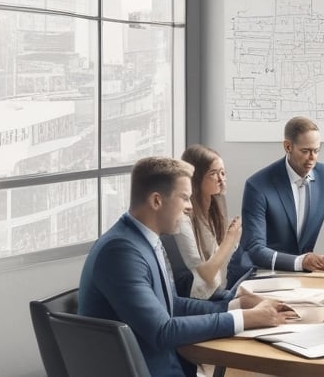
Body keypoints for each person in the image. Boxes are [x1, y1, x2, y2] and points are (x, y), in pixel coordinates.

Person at [78, 157, 293, 377]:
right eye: (184, 198)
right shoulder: (121, 252)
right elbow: (163, 331)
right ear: (156, 201)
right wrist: (247, 318)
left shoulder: (141, 241)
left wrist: (235, 305)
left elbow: (171, 305)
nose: (190, 207)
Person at [231, 116, 324, 279]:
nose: (312, 158)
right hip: (257, 272)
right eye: (305, 151)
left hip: (298, 276)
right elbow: (255, 250)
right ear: (288, 146)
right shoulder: (257, 186)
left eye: (316, 150)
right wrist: (302, 261)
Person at [162, 144, 242, 300]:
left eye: (223, 173)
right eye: (213, 173)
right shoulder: (183, 220)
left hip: (216, 289)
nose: (221, 179)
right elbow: (206, 275)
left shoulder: (212, 209)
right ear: (196, 179)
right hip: (200, 296)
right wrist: (229, 240)